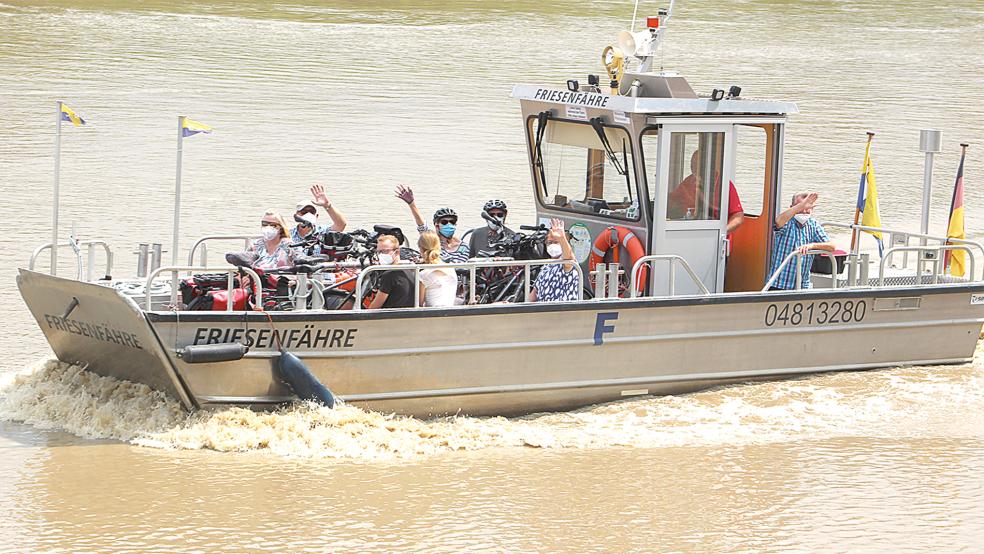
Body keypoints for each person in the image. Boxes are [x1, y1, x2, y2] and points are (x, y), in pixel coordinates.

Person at [767, 192, 836, 290]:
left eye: (808, 207)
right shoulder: (787, 222)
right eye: (800, 207)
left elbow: (832, 246)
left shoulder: (813, 225)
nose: (804, 211)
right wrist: (802, 205)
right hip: (779, 284)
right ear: (792, 207)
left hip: (802, 286)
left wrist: (812, 246)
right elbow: (778, 221)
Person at [667, 151, 744, 235]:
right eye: (692, 164)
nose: (694, 167)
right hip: (686, 230)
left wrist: (721, 233)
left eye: (697, 164)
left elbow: (738, 216)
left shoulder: (724, 185)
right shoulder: (689, 181)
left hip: (711, 236)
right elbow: (671, 201)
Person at [394, 184, 470, 262]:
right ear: (437, 225)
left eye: (452, 222)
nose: (449, 224)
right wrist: (411, 204)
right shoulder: (431, 242)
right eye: (444, 222)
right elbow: (422, 226)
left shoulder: (464, 247)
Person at [528, 219, 579, 302]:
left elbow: (569, 258)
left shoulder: (566, 263)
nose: (552, 245)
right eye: (549, 242)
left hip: (562, 311)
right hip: (543, 311)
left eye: (556, 242)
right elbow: (534, 293)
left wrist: (562, 239)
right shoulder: (546, 266)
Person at [368, 234, 415, 309]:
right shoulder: (410, 270)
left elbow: (374, 307)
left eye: (385, 251)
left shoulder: (389, 275)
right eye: (379, 252)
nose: (381, 255)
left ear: (397, 252)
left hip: (390, 317)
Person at [416, 231, 457, 307]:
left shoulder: (423, 275)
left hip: (432, 314)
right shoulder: (451, 269)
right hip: (450, 311)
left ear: (421, 249)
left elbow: (419, 304)